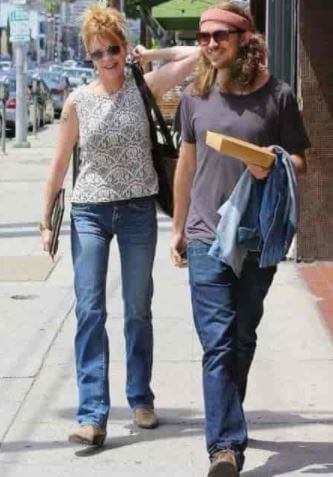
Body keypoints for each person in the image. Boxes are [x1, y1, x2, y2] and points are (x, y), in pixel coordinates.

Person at [40, 3, 199, 446]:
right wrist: (45, 220)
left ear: (124, 48)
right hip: (89, 212)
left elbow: (197, 56)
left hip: (136, 212)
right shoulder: (77, 102)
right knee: (90, 308)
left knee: (137, 307)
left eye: (113, 49)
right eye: (97, 53)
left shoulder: (143, 85)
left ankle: (141, 397)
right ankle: (92, 414)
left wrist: (152, 57)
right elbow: (57, 166)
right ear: (88, 56)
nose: (106, 59)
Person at [171, 2, 310, 476]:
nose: (210, 43)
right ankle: (225, 448)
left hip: (257, 237)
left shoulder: (279, 97)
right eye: (205, 36)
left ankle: (227, 412)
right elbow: (186, 165)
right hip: (207, 235)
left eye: (220, 35)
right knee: (218, 343)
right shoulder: (193, 97)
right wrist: (178, 225)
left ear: (245, 39)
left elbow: (299, 164)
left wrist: (269, 161)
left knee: (242, 338)